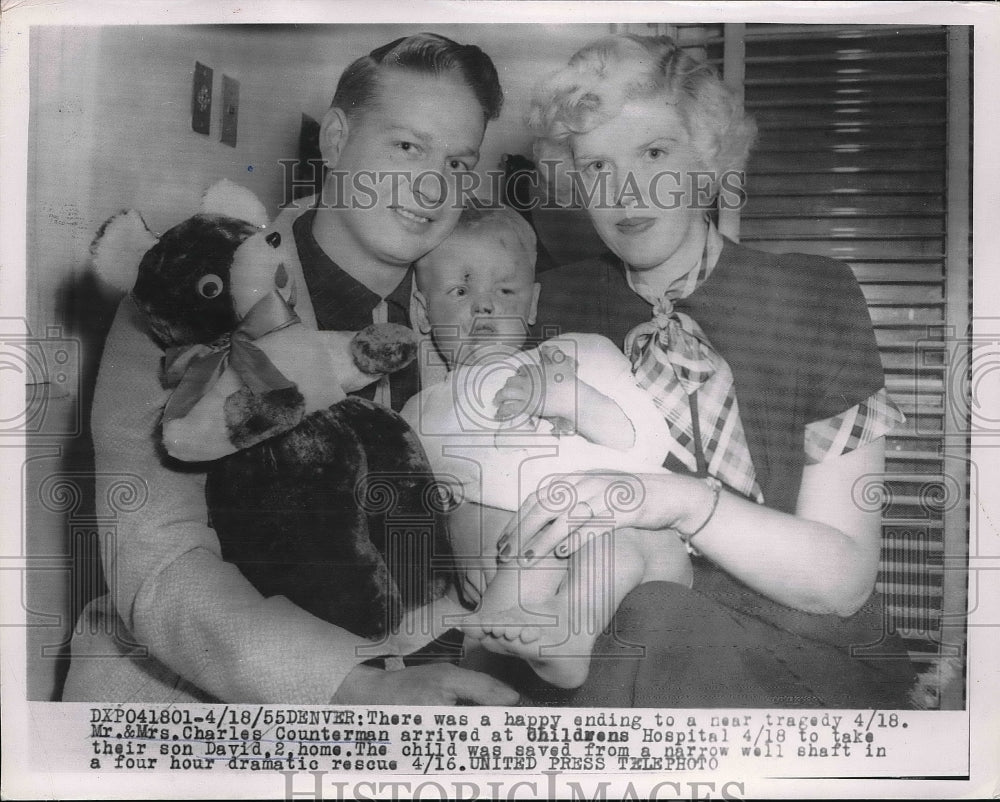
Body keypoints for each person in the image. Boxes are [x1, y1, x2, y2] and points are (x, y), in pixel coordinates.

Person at [62, 33, 518, 706]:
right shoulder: (186, 296)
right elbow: (158, 565)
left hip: (431, 667)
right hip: (210, 695)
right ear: (334, 140)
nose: (433, 187)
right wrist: (348, 687)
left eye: (458, 162)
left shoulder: (464, 310)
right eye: (406, 147)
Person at [468, 33, 917, 708]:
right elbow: (498, 460)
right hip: (594, 630)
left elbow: (844, 579)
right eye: (596, 167)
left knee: (647, 619)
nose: (625, 192)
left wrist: (669, 498)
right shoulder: (556, 300)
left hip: (796, 645)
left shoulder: (815, 294)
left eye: (654, 152)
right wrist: (492, 540)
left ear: (706, 156)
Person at [399, 205, 693, 689]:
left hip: (631, 546)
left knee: (600, 537)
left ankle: (566, 630)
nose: (485, 305)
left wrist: (570, 399)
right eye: (459, 290)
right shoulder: (422, 409)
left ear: (533, 303)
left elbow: (646, 441)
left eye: (506, 290)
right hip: (513, 569)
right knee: (510, 538)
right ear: (421, 309)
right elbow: (408, 497)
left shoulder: (575, 354)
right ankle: (506, 640)